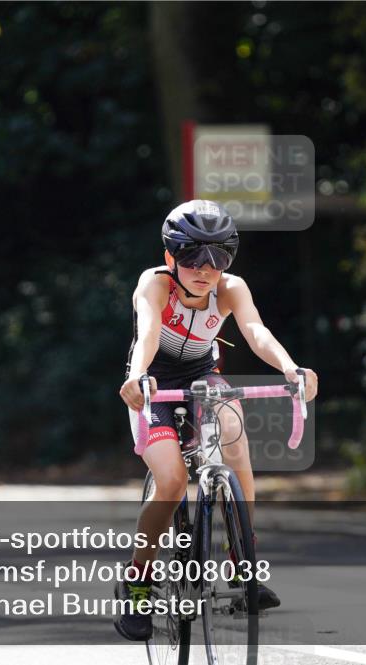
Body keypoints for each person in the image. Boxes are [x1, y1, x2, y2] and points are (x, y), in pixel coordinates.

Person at [113, 200, 319, 641]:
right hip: (153, 380)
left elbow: (255, 330)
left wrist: (290, 368)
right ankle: (137, 581)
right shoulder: (155, 284)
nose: (205, 268)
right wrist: (135, 378)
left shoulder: (231, 288)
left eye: (219, 256)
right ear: (171, 257)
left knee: (233, 436)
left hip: (203, 374)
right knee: (170, 481)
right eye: (192, 255)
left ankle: (241, 558)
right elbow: (148, 331)